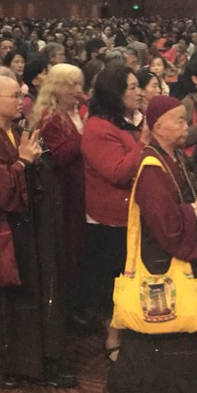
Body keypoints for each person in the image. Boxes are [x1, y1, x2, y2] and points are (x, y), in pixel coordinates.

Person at [106, 94, 197, 393]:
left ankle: (135, 391)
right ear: (157, 126)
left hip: (172, 254)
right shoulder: (150, 167)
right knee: (164, 335)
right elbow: (165, 223)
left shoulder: (174, 157)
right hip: (160, 260)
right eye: (179, 120)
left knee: (154, 337)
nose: (186, 125)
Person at [0, 74, 75, 390]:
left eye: (21, 95)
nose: (21, 101)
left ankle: (32, 362)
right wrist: (23, 162)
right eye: (14, 96)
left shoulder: (16, 131)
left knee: (28, 297)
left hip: (25, 230)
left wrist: (34, 161)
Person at [77, 64, 145, 361]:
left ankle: (131, 329)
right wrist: (145, 142)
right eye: (132, 87)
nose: (139, 92)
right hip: (109, 219)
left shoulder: (128, 121)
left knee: (131, 276)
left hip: (132, 214)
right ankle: (113, 337)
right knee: (113, 279)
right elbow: (117, 172)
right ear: (114, 93)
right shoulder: (97, 128)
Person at [32, 64, 87, 311]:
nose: (77, 90)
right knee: (67, 248)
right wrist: (87, 135)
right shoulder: (50, 118)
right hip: (63, 193)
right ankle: (68, 307)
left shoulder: (76, 112)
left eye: (79, 84)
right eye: (71, 84)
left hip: (79, 190)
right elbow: (59, 156)